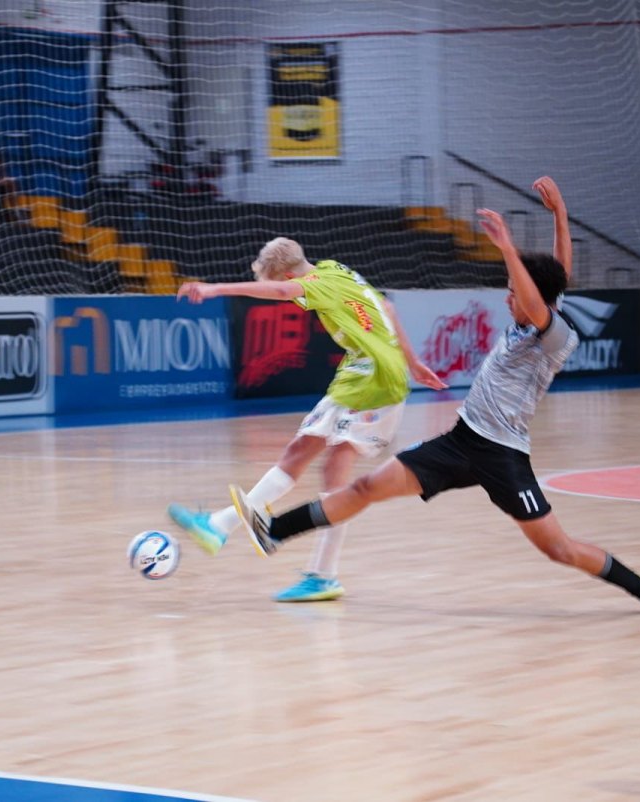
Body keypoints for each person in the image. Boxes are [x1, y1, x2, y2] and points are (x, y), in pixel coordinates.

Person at [228, 178, 640, 616]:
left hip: (504, 457)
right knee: (365, 488)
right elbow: (556, 276)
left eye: (512, 292)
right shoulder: (541, 308)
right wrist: (560, 213)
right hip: (460, 442)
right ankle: (273, 532)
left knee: (558, 549)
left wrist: (506, 246)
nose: (506, 299)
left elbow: (538, 293)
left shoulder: (554, 333)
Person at [168, 236, 447, 602]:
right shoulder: (334, 268)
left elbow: (285, 292)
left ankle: (234, 533)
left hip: (373, 378)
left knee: (319, 463)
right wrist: (413, 362)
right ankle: (301, 564)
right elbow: (387, 308)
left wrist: (214, 288)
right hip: (366, 372)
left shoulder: (316, 284)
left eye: (273, 280)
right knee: (317, 460)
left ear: (284, 272)